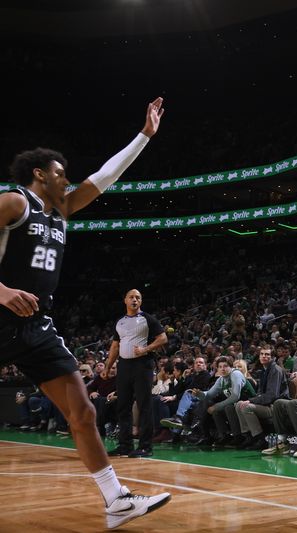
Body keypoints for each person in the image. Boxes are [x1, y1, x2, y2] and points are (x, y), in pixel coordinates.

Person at [0, 97, 170, 528]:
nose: (68, 178)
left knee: (83, 411)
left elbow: (104, 177)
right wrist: (0, 290)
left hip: (36, 324)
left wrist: (144, 137)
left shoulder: (62, 210)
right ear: (39, 175)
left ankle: (115, 500)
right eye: (60, 173)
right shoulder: (14, 203)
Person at [103, 289, 167, 458]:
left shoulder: (147, 319)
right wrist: (108, 367)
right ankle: (125, 445)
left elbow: (163, 338)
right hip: (124, 365)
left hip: (143, 365)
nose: (135, 299)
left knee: (144, 405)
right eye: (131, 297)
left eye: (138, 297)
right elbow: (115, 346)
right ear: (125, 300)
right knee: (123, 405)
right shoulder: (120, 322)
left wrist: (146, 349)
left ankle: (146, 446)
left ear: (141, 301)